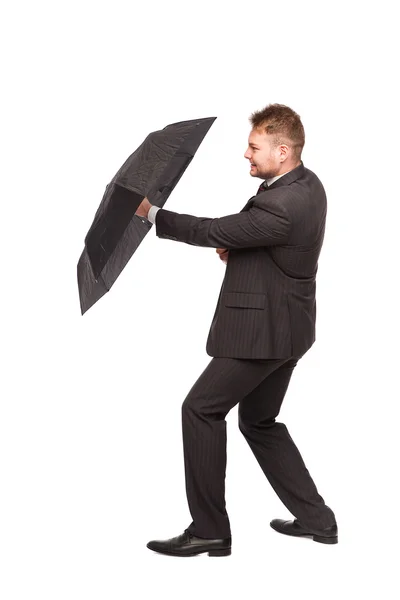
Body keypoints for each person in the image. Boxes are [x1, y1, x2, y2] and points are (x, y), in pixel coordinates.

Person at [135, 103, 338, 557]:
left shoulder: (282, 202)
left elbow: (215, 229)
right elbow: (276, 243)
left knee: (201, 410)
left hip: (262, 333)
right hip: (291, 329)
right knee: (259, 420)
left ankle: (209, 529)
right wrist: (244, 249)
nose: (246, 154)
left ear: (282, 150)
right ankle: (317, 520)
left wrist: (152, 214)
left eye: (254, 147)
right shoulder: (307, 183)